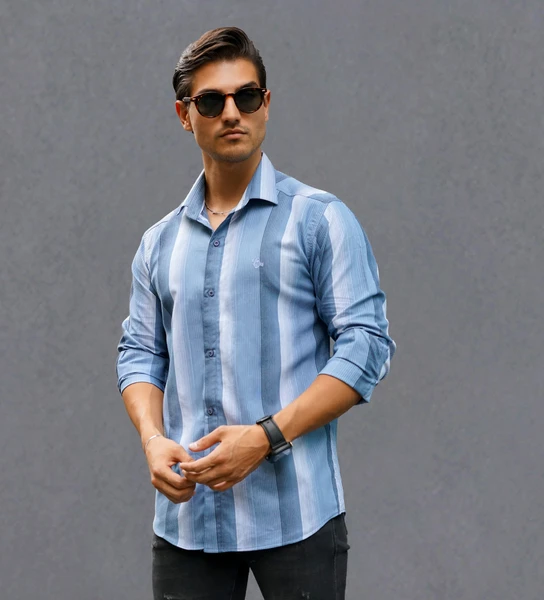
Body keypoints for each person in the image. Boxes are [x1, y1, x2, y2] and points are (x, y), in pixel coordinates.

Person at [116, 26, 396, 600]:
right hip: (189, 523)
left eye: (246, 96)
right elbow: (140, 353)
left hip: (298, 517)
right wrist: (152, 439)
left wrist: (267, 437)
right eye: (211, 101)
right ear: (184, 115)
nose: (231, 113)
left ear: (265, 104)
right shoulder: (158, 243)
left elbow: (366, 348)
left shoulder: (319, 220)